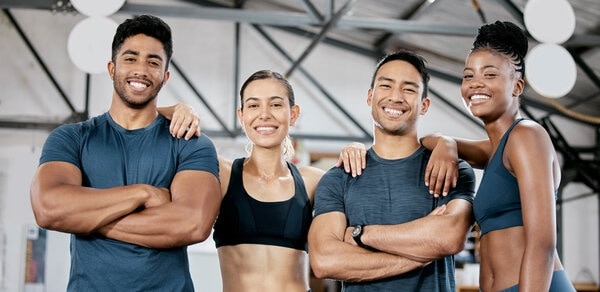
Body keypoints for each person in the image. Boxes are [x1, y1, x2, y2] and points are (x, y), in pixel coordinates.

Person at [29, 15, 221, 291]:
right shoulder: (72, 138)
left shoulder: (189, 142)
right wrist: (144, 193)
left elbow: (192, 224)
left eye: (153, 62)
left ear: (165, 77)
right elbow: (49, 208)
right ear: (111, 68)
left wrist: (85, 218)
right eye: (130, 58)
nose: (141, 70)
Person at [420, 21, 576, 292]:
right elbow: (423, 140)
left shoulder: (527, 136)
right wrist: (445, 142)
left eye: (489, 75)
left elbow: (542, 244)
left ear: (517, 86)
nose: (475, 84)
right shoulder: (498, 149)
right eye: (468, 76)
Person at [307, 50, 476, 291]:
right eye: (386, 86)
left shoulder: (451, 170)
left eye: (409, 89)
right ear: (370, 96)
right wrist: (421, 252)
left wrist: (359, 234)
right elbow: (325, 260)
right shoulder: (339, 177)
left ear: (424, 105)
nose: (395, 97)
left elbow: (449, 238)